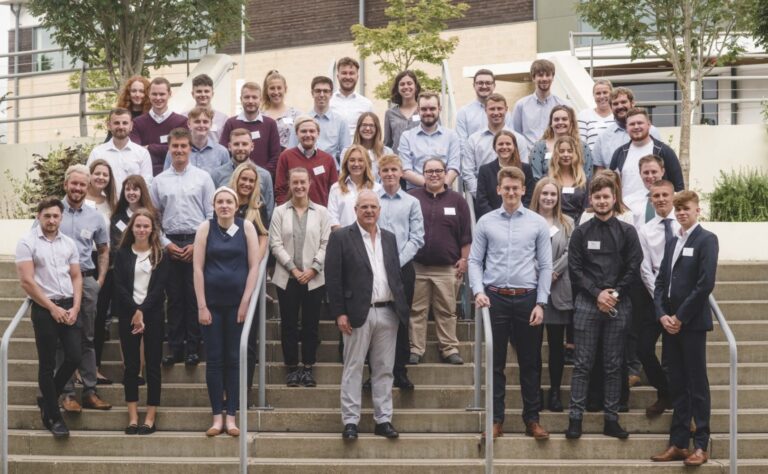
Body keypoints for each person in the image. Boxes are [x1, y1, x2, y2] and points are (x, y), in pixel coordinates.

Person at [469, 166, 553, 440]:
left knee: (530, 363)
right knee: (495, 363)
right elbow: (474, 261)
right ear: (498, 189)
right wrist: (478, 290)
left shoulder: (537, 223)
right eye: (506, 188)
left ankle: (532, 419)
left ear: (524, 190)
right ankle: (495, 421)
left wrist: (541, 303)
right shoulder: (486, 222)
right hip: (494, 299)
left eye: (516, 188)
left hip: (527, 299)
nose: (511, 192)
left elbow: (545, 264)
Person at [326, 190, 410, 440]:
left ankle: (383, 419)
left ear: (379, 210)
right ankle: (350, 421)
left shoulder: (390, 238)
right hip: (356, 314)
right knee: (353, 368)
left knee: (384, 369)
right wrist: (339, 312)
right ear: (356, 210)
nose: (369, 211)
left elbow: (395, 274)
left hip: (388, 312)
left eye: (373, 207)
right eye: (364, 207)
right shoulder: (341, 237)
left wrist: (400, 307)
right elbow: (333, 279)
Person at [565, 174, 643, 440]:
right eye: (596, 197)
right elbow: (574, 270)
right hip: (587, 304)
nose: (601, 201)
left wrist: (615, 293)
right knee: (582, 364)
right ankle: (575, 418)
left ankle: (612, 419)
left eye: (606, 197)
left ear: (614, 199)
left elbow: (634, 266)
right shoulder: (581, 232)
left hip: (619, 305)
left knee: (613, 365)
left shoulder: (627, 231)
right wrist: (598, 293)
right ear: (591, 200)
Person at [650, 191, 718, 467]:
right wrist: (662, 315)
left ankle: (700, 444)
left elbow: (705, 284)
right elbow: (660, 282)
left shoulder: (707, 240)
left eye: (686, 209)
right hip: (670, 325)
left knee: (696, 384)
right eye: (677, 210)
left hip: (690, 324)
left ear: (697, 210)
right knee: (677, 383)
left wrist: (680, 316)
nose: (681, 213)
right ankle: (678, 443)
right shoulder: (673, 241)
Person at [193, 186, 261, 437]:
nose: (224, 205)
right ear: (214, 205)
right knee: (214, 360)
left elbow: (254, 266)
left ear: (236, 205)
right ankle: (216, 418)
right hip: (211, 306)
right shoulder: (205, 228)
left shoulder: (246, 227)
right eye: (220, 201)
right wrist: (201, 305)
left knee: (234, 359)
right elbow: (197, 269)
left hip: (237, 306)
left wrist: (246, 301)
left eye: (228, 202)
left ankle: (231, 417)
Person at [16, 198, 82, 437]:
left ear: (61, 218)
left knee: (75, 356)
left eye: (56, 216)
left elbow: (76, 276)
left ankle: (47, 398)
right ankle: (54, 418)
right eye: (47, 216)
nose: (52, 220)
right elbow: (27, 282)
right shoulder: (27, 243)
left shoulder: (69, 244)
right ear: (38, 216)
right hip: (45, 309)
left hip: (68, 306)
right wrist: (52, 308)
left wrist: (75, 307)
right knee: (46, 364)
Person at [150, 128, 215, 367]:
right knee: (174, 298)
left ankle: (193, 348)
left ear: (190, 148)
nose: (179, 150)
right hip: (169, 244)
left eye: (183, 146)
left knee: (194, 295)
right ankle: (176, 348)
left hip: (196, 242)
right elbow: (154, 218)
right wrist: (166, 244)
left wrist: (197, 245)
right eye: (175, 146)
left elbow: (210, 215)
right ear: (169, 148)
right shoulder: (159, 181)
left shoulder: (203, 178)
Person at [57, 164, 112, 412]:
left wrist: (99, 281)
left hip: (88, 281)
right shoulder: (53, 212)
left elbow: (103, 249)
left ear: (87, 186)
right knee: (63, 339)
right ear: (66, 184)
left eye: (82, 184)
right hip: (60, 284)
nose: (78, 188)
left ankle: (90, 391)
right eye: (74, 183)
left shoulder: (95, 216)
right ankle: (67, 394)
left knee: (88, 338)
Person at [270, 167, 331, 387]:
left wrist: (313, 268)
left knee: (310, 324)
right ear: (289, 184)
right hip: (287, 277)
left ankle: (307, 367)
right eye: (295, 182)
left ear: (310, 184)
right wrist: (293, 269)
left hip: (314, 277)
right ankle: (292, 368)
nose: (299, 187)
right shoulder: (279, 212)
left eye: (302, 182)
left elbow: (326, 243)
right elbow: (275, 243)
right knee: (288, 323)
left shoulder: (322, 212)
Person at [408, 158, 471, 366]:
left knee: (446, 310)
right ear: (423, 174)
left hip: (447, 268)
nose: (433, 174)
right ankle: (415, 349)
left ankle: (449, 348)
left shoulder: (458, 200)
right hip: (417, 266)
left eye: (438, 171)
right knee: (417, 310)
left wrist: (464, 259)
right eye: (429, 171)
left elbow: (466, 235)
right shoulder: (412, 198)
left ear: (446, 174)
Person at [113, 208, 169, 435]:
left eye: (146, 226)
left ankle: (150, 417)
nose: (142, 229)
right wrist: (134, 311)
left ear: (152, 229)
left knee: (153, 366)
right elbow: (119, 286)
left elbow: (159, 289)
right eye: (138, 226)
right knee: (132, 367)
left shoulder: (160, 254)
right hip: (128, 313)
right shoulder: (123, 254)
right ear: (132, 228)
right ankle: (133, 416)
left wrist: (142, 311)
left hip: (153, 315)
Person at [377, 154, 424, 389]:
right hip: (373, 268)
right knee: (374, 319)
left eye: (394, 170)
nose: (390, 174)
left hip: (403, 268)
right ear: (379, 173)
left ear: (401, 173)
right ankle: (374, 372)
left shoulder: (411, 202)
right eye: (385, 170)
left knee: (401, 319)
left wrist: (396, 262)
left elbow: (417, 237)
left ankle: (400, 371)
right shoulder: (372, 198)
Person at [530, 178, 574, 412]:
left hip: (558, 290)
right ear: (538, 195)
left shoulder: (568, 222)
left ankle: (555, 392)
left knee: (557, 347)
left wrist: (552, 271)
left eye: (553, 194)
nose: (549, 198)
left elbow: (570, 251)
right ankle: (534, 392)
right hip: (533, 288)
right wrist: (543, 273)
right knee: (533, 347)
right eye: (545, 193)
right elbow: (524, 250)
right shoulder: (526, 221)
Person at [637, 178, 678, 418]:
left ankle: (679, 402)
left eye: (665, 195)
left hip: (681, 300)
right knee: (643, 349)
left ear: (672, 196)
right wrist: (660, 299)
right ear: (651, 200)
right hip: (655, 299)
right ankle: (665, 391)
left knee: (675, 357)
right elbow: (645, 269)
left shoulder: (683, 225)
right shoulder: (646, 230)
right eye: (656, 196)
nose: (661, 199)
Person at [229, 162, 270, 395]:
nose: (246, 183)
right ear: (236, 178)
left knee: (249, 335)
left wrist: (256, 260)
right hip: (226, 274)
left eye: (251, 181)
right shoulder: (224, 202)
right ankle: (227, 388)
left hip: (248, 273)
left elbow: (264, 236)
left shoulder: (258, 207)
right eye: (243, 179)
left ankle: (244, 388)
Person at [85, 159, 117, 385]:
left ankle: (94, 368)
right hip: (83, 260)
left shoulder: (112, 204)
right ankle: (77, 367)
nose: (101, 178)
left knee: (99, 317)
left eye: (105, 175)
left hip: (105, 260)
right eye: (97, 173)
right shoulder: (80, 200)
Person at [462, 93, 528, 196]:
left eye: (499, 108)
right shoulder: (473, 140)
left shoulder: (519, 139)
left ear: (506, 109)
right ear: (485, 110)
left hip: (513, 196)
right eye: (492, 109)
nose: (496, 112)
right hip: (483, 199)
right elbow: (468, 173)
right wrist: (480, 195)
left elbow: (523, 171)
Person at [609, 107, 684, 196]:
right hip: (627, 207)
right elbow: (611, 184)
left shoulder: (664, 151)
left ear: (649, 124)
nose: (636, 126)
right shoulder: (619, 153)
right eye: (632, 124)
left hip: (655, 208)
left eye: (640, 123)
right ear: (627, 127)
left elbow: (679, 187)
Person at [399, 92, 461, 189]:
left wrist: (440, 187)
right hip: (416, 193)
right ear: (418, 110)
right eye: (424, 109)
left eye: (432, 108)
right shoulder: (406, 137)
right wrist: (431, 185)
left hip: (443, 192)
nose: (428, 112)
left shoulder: (451, 136)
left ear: (439, 109)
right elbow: (405, 171)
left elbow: (454, 168)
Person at [210, 128, 274, 222]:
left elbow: (269, 209)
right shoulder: (217, 174)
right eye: (236, 144)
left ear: (252, 146)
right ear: (229, 146)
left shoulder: (264, 175)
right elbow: (211, 207)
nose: (240, 148)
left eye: (244, 144)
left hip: (255, 229)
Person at [219, 82, 282, 177]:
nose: (250, 101)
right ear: (241, 99)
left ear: (260, 99)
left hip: (262, 180)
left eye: (254, 97)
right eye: (247, 97)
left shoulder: (270, 124)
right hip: (233, 178)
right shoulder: (231, 123)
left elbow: (275, 156)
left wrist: (260, 176)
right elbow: (224, 153)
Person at [275, 115, 339, 206]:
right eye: (303, 131)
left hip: (321, 215)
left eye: (312, 131)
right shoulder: (286, 157)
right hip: (292, 214)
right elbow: (280, 190)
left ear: (318, 133)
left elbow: (334, 191)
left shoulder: (328, 159)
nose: (308, 135)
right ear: (297, 133)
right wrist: (285, 213)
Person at [130, 77, 188, 176]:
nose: (158, 98)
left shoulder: (181, 122)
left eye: (162, 94)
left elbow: (182, 150)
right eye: (154, 94)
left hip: (175, 177)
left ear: (169, 94)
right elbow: (136, 152)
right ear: (148, 94)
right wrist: (167, 148)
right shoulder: (136, 123)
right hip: (146, 177)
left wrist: (150, 147)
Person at [593, 87, 661, 170]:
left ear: (632, 103)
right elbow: (599, 170)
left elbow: (660, 163)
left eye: (623, 102)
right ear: (611, 107)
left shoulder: (651, 131)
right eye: (615, 104)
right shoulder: (603, 137)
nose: (620, 106)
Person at [288, 76, 350, 164]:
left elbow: (345, 153)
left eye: (325, 91)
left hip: (331, 171)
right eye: (318, 91)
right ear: (312, 93)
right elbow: (292, 150)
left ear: (331, 94)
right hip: (305, 171)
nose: (321, 94)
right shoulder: (300, 121)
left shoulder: (340, 121)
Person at [88, 108, 153, 191]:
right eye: (116, 123)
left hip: (132, 203)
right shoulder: (97, 153)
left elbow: (146, 183)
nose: (121, 126)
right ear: (109, 125)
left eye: (125, 123)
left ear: (131, 126)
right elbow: (89, 180)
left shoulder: (142, 153)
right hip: (104, 202)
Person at [511, 59, 569, 151]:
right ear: (533, 78)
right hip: (529, 157)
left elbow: (569, 132)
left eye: (548, 75)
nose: (544, 79)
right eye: (540, 75)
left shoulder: (563, 105)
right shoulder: (521, 105)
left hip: (556, 156)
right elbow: (516, 135)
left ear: (553, 77)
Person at [475, 130, 535, 218]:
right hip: (493, 220)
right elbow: (482, 201)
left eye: (508, 144)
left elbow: (529, 197)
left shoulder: (525, 169)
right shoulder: (485, 170)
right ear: (494, 147)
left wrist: (518, 215)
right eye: (500, 144)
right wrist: (496, 217)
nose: (504, 147)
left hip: (521, 219)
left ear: (514, 146)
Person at [529, 105, 593, 181]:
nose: (560, 122)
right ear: (551, 124)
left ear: (571, 123)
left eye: (564, 119)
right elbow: (535, 177)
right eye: (556, 119)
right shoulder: (539, 147)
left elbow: (587, 176)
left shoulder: (583, 147)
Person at [328, 145, 382, 229]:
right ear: (346, 163)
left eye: (361, 160)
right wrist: (347, 238)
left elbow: (380, 219)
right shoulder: (336, 188)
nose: (356, 164)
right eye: (352, 160)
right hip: (343, 240)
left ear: (367, 163)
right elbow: (333, 220)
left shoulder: (377, 189)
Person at [163, 106, 230, 174]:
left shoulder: (222, 152)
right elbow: (166, 177)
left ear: (211, 124)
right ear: (189, 124)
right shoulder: (176, 151)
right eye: (197, 122)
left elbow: (226, 179)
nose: (201, 125)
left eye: (205, 122)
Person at [456, 69, 513, 143]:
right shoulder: (464, 112)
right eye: (480, 83)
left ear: (494, 85)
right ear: (474, 85)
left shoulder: (504, 112)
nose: (484, 86)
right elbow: (462, 142)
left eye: (488, 83)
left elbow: (510, 137)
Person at [548, 136, 589, 223]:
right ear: (556, 154)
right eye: (561, 151)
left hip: (579, 226)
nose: (566, 155)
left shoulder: (585, 181)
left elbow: (586, 209)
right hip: (554, 224)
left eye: (570, 151)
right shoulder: (547, 180)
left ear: (576, 154)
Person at [329, 57, 373, 136]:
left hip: (358, 147)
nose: (348, 77)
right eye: (344, 73)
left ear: (357, 76)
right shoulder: (328, 102)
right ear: (338, 76)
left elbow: (372, 132)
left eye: (351, 73)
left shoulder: (367, 104)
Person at [341, 112, 393, 177]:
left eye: (371, 125)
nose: (367, 128)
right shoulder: (347, 152)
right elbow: (343, 176)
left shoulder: (387, 152)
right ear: (358, 128)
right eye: (364, 125)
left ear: (377, 129)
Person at [261, 70, 302, 149]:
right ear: (266, 91)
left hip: (290, 159)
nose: (276, 92)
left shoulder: (296, 115)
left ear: (285, 89)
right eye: (272, 88)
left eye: (279, 88)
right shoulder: (260, 116)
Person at [625, 155, 668, 227]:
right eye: (646, 172)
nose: (650, 176)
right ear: (640, 173)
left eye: (654, 172)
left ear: (662, 172)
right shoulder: (628, 202)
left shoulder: (674, 199)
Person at [384, 70, 421, 154]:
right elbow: (387, 143)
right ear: (397, 88)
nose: (406, 86)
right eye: (402, 84)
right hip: (397, 163)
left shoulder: (425, 110)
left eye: (409, 83)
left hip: (420, 162)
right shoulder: (390, 113)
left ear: (416, 86)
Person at [185, 74, 228, 143]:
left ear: (212, 94)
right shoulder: (184, 117)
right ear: (193, 94)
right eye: (199, 91)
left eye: (206, 91)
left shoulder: (223, 119)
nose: (203, 94)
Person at [577, 80, 614, 150]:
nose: (602, 96)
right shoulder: (584, 115)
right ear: (593, 96)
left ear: (611, 94)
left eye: (605, 92)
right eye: (598, 93)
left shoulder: (618, 116)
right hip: (591, 160)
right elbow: (580, 144)